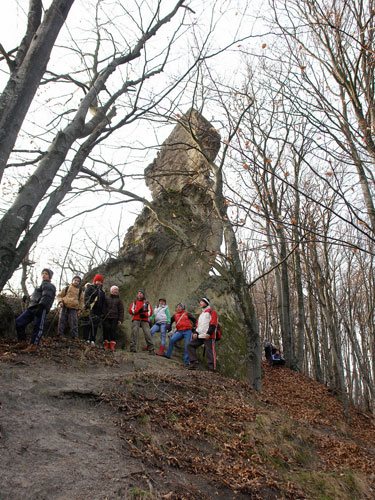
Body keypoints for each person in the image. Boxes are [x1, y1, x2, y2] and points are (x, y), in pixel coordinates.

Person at [15, 268, 56, 353]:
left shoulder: (49, 286)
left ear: (50, 277)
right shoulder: (38, 286)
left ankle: (34, 345)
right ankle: (22, 341)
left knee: (37, 327)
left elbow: (47, 297)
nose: (44, 275)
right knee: (19, 322)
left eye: (46, 274)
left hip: (40, 308)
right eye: (43, 273)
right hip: (32, 307)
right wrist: (27, 298)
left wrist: (41, 307)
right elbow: (35, 297)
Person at [187, 297, 218, 371]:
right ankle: (194, 362)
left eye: (202, 302)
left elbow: (213, 323)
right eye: (200, 302)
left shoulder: (212, 312)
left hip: (208, 336)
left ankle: (212, 368)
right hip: (200, 335)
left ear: (206, 303)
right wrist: (195, 333)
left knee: (209, 351)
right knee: (190, 345)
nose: (200, 303)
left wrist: (209, 333)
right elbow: (198, 325)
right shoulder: (201, 314)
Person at [128, 290, 154, 354]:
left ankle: (151, 349)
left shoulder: (147, 303)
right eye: (138, 293)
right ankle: (132, 348)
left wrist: (145, 315)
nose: (139, 294)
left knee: (147, 334)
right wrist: (137, 311)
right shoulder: (135, 302)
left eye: (141, 293)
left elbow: (150, 312)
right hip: (136, 318)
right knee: (134, 332)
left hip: (144, 319)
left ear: (143, 295)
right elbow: (130, 310)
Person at [83, 274, 106, 345]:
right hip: (90, 308)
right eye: (98, 281)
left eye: (100, 281)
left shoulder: (102, 291)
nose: (99, 282)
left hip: (98, 310)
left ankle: (92, 339)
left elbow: (103, 302)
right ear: (95, 281)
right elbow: (86, 297)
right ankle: (86, 339)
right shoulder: (90, 288)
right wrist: (87, 306)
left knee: (95, 325)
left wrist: (103, 311)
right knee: (88, 324)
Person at [103, 285, 124, 351]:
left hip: (115, 317)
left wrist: (120, 319)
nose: (116, 291)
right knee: (106, 329)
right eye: (114, 290)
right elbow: (103, 307)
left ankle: (112, 345)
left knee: (113, 330)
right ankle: (106, 344)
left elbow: (121, 310)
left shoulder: (119, 300)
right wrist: (103, 315)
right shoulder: (106, 298)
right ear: (111, 291)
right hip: (106, 317)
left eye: (117, 290)